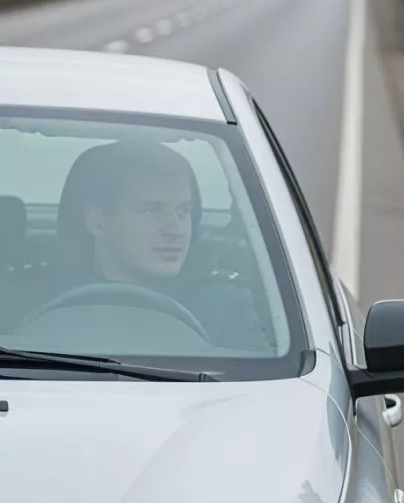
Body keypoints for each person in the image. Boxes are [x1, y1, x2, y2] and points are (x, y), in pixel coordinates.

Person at [3, 139, 270, 352]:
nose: (175, 229)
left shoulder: (224, 303)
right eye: (151, 210)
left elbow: (266, 395)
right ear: (97, 221)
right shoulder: (23, 297)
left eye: (183, 210)